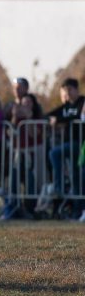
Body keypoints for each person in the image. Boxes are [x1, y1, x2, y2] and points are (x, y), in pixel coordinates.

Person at [47, 78, 84, 208]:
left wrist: (59, 120)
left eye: (70, 90)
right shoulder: (66, 106)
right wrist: (52, 119)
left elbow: (78, 117)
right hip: (71, 144)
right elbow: (48, 115)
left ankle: (59, 186)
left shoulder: (82, 102)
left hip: (79, 143)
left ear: (76, 90)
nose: (67, 93)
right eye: (65, 90)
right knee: (76, 177)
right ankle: (77, 209)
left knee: (54, 153)